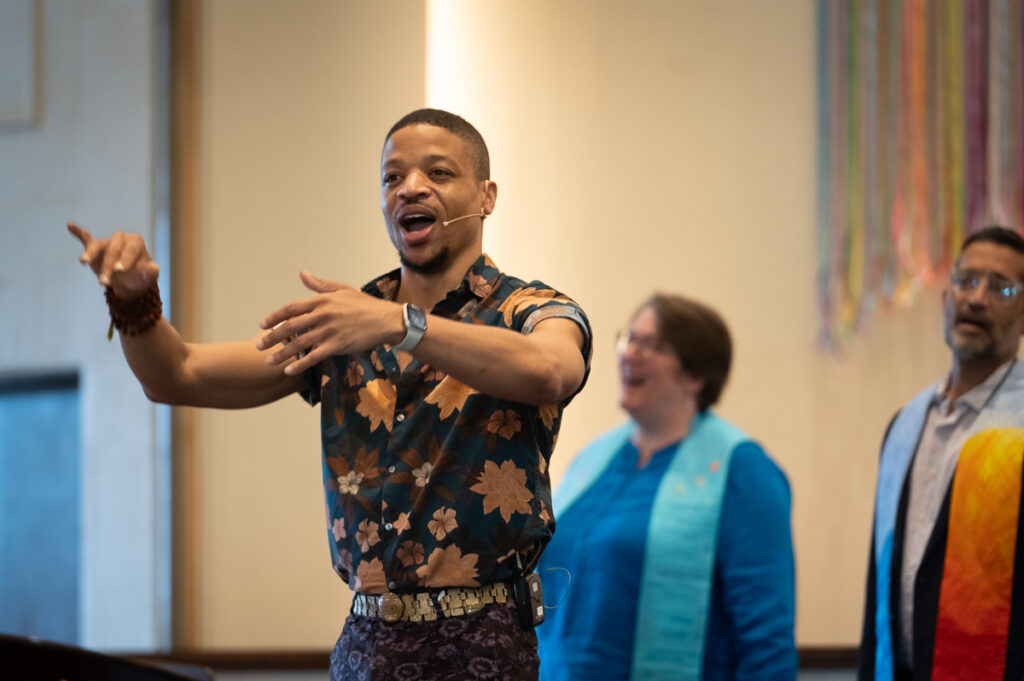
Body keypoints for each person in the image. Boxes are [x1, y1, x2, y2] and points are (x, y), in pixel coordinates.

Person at [69, 108, 592, 681]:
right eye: (393, 177)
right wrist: (134, 301)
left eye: (438, 173)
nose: (410, 187)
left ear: (486, 195)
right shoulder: (345, 324)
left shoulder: (527, 310)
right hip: (364, 642)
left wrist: (402, 325)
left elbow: (552, 369)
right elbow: (177, 375)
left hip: (479, 642)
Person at [536, 293, 796, 681]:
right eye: (629, 339)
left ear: (696, 375)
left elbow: (765, 634)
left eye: (652, 346)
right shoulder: (595, 460)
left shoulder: (741, 470)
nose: (630, 354)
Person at [859, 226, 1024, 681]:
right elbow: (882, 580)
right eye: (966, 281)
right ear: (945, 297)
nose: (976, 298)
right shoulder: (906, 424)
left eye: (1002, 287)